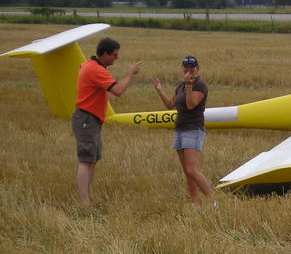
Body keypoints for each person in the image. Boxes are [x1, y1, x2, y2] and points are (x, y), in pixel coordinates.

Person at [71, 37, 143, 209]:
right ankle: (85, 202)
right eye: (114, 55)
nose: (116, 58)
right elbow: (118, 90)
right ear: (104, 54)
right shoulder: (96, 70)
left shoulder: (89, 64)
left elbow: (82, 68)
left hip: (90, 119)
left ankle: (87, 197)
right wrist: (130, 73)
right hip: (87, 119)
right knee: (85, 160)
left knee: (93, 159)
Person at [153, 55, 215, 207]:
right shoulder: (180, 86)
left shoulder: (200, 85)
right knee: (186, 171)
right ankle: (195, 203)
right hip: (180, 129)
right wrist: (159, 90)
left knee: (191, 169)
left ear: (197, 68)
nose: (189, 69)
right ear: (182, 68)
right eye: (186, 67)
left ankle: (212, 202)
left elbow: (191, 104)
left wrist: (188, 86)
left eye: (192, 67)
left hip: (193, 129)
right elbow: (169, 105)